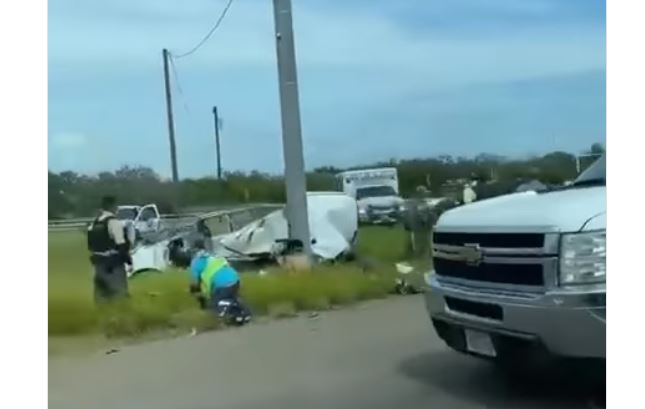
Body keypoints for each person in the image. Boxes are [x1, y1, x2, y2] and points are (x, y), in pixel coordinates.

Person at [188, 241, 251, 325]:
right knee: (230, 298)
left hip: (222, 284)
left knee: (216, 303)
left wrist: (193, 292)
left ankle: (235, 312)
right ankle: (242, 315)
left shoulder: (196, 262)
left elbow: (194, 283)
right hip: (235, 280)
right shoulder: (213, 255)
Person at [86, 195, 132, 302]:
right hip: (113, 264)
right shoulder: (113, 222)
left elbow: (90, 245)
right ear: (112, 206)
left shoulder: (95, 222)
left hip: (98, 263)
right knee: (119, 295)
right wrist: (128, 260)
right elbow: (121, 244)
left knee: (102, 297)